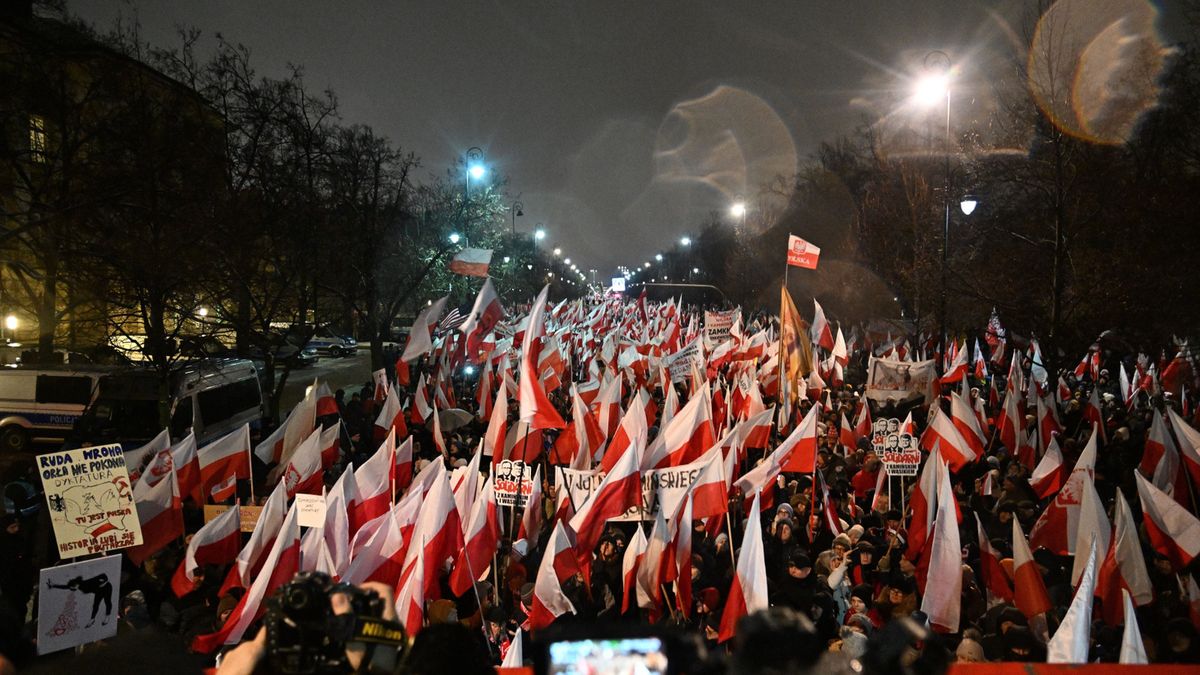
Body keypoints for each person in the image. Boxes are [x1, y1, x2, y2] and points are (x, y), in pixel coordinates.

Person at [46, 573, 113, 628]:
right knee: (95, 605)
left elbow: (103, 575)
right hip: (98, 592)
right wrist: (53, 585)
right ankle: (92, 619)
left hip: (107, 588)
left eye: (72, 587)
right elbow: (65, 587)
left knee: (107, 602)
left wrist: (104, 582)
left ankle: (107, 616)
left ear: (76, 584)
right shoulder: (79, 587)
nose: (72, 589)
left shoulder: (86, 582)